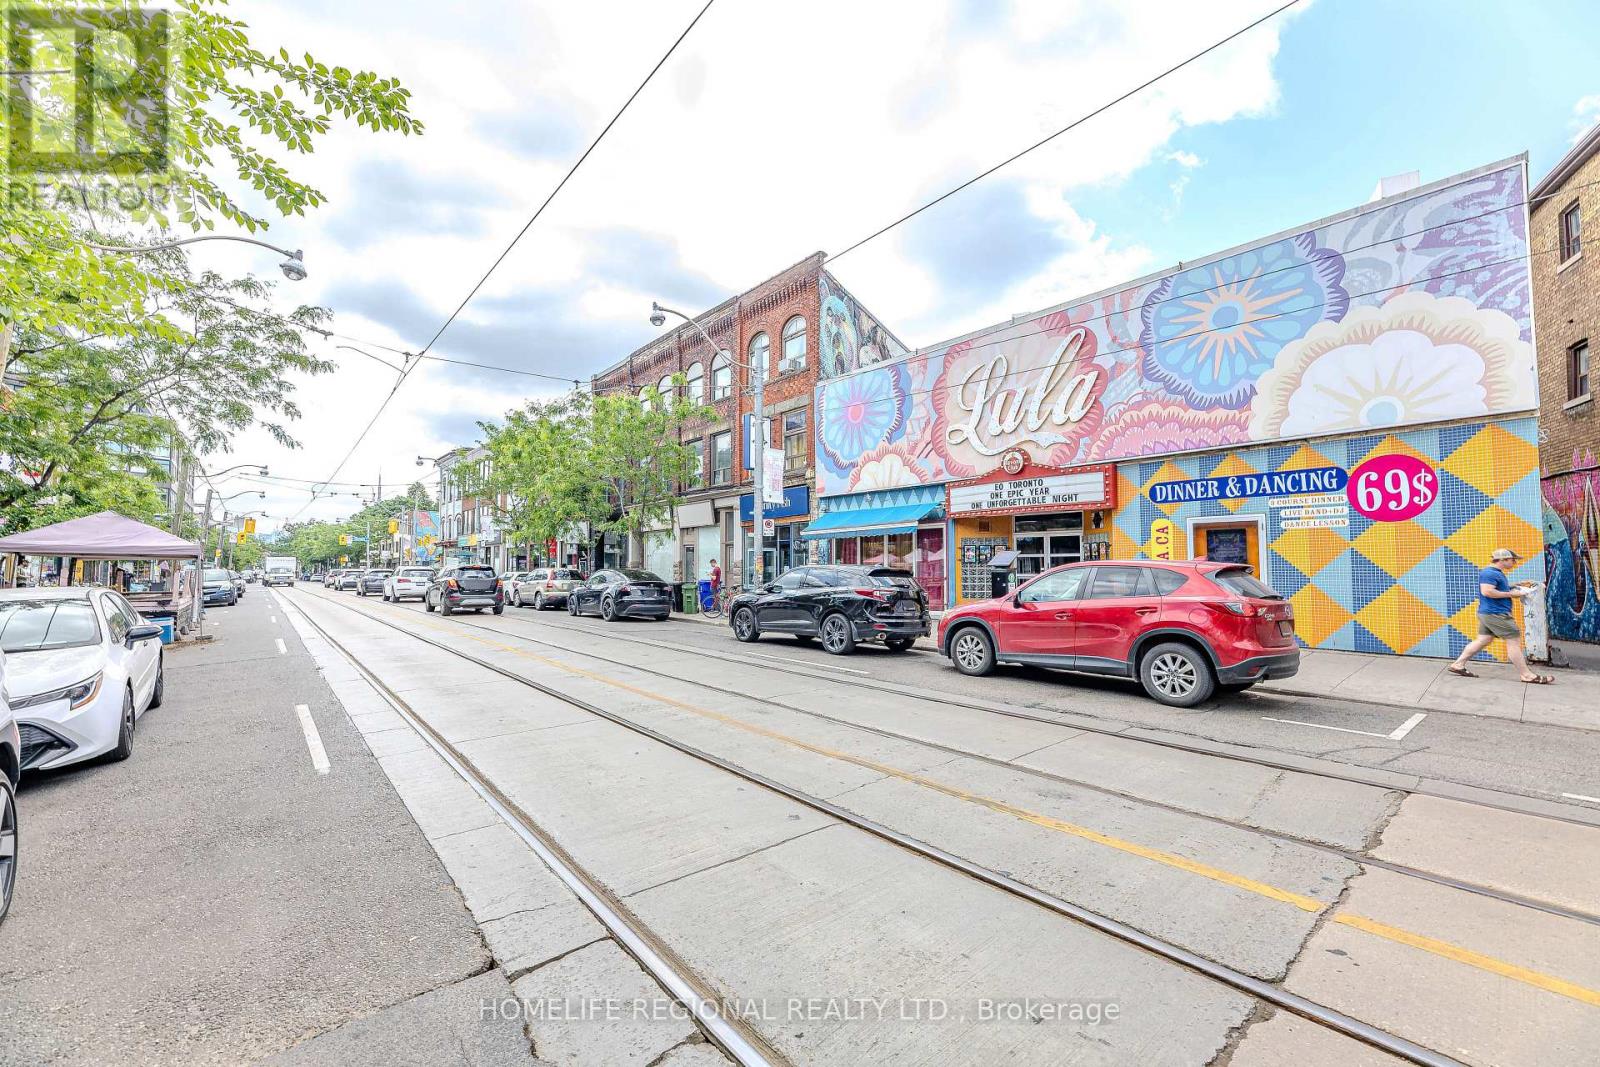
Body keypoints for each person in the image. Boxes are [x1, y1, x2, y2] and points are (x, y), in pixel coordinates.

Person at [1447, 547, 1553, 684]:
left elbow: (1495, 589)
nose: (1514, 563)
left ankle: (1458, 665)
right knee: (1513, 642)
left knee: (1483, 639)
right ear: (1503, 560)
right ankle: (1526, 675)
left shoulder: (1494, 573)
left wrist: (1515, 585)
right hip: (1497, 614)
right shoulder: (1490, 573)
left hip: (1489, 613)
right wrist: (1512, 594)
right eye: (1512, 560)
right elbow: (1487, 592)